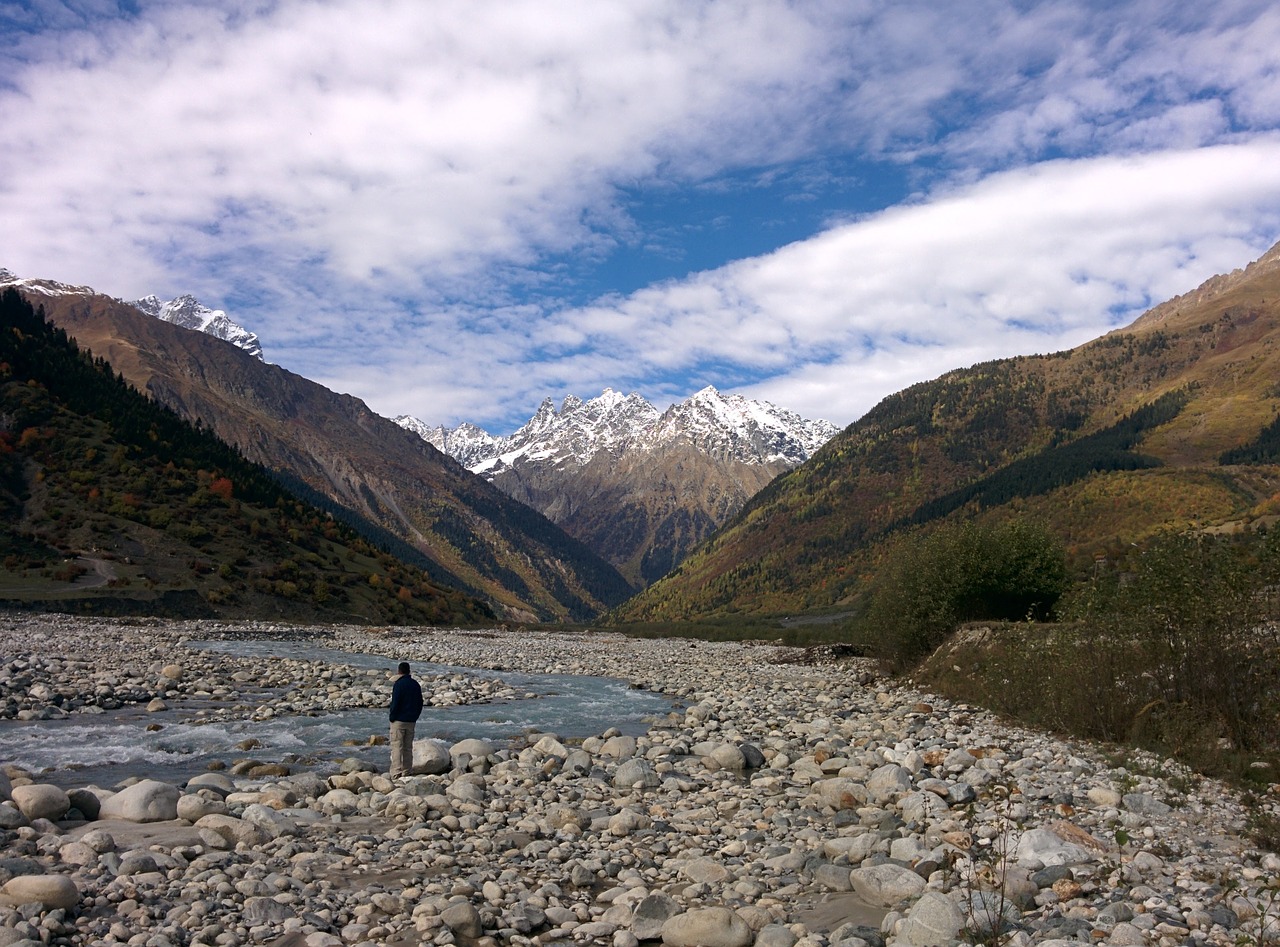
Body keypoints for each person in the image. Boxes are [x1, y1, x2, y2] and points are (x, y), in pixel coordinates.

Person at [388, 661, 423, 777]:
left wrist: (392, 717)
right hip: (411, 720)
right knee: (408, 747)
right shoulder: (415, 684)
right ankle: (407, 771)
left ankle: (397, 772)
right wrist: (416, 716)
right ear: (409, 671)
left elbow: (395, 703)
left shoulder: (398, 684)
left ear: (399, 671)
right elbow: (420, 703)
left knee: (397, 746)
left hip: (399, 720)